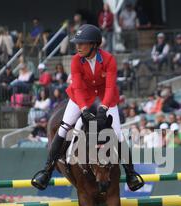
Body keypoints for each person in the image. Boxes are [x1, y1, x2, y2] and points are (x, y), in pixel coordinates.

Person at [31, 24, 144, 192]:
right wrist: (84, 108)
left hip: (105, 98)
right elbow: (77, 86)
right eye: (77, 43)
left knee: (118, 133)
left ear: (94, 45)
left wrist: (103, 107)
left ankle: (130, 173)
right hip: (80, 97)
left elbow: (110, 87)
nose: (78, 46)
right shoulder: (76, 60)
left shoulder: (109, 59)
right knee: (63, 128)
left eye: (82, 43)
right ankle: (46, 171)